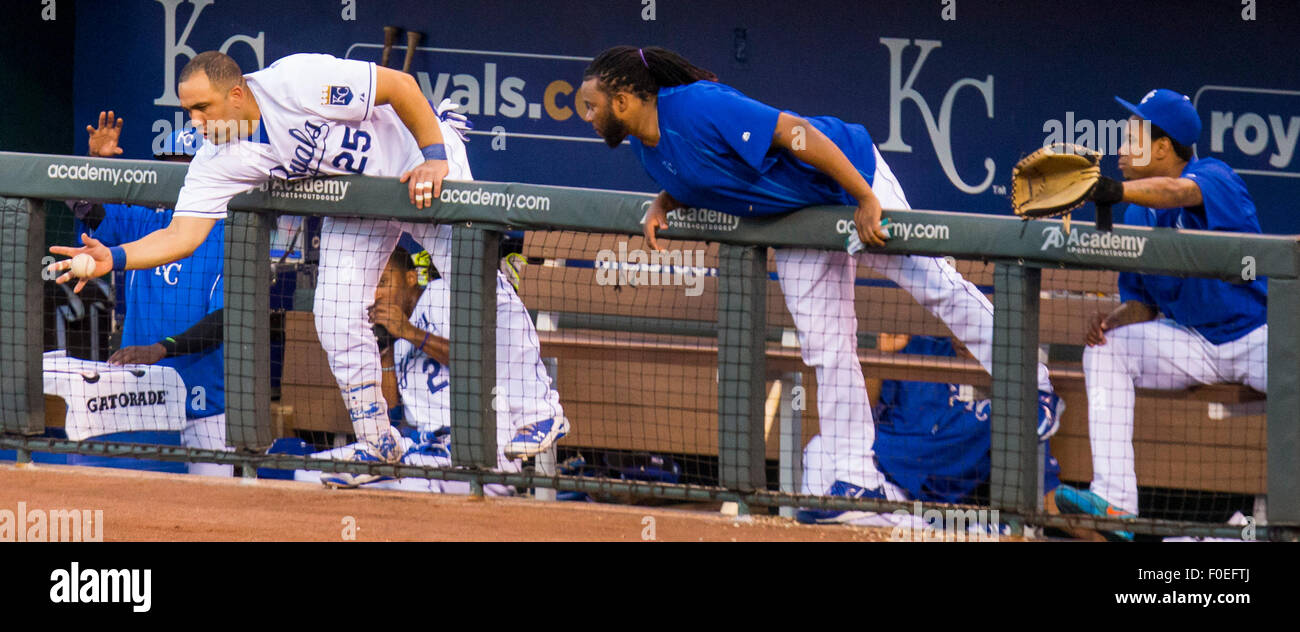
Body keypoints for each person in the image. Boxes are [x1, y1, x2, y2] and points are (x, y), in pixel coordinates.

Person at [575, 45, 1060, 523]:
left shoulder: (699, 105)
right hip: (793, 221)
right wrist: (665, 203)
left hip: (849, 180)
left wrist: (865, 197)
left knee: (934, 283)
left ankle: (1035, 388)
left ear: (623, 101)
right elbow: (697, 173)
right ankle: (856, 477)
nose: (587, 116)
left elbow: (796, 132)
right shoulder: (646, 146)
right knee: (826, 345)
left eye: (592, 105)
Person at [49, 51, 567, 481]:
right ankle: (377, 443)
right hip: (358, 198)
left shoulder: (296, 82)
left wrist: (434, 154)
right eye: (189, 112)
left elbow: (402, 87)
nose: (197, 123)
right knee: (334, 313)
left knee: (470, 278)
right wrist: (111, 257)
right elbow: (181, 235)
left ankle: (538, 410)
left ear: (237, 93)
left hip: (417, 163)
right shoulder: (216, 160)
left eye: (203, 108)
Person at [1055, 89, 1269, 541]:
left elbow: (1178, 193)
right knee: (1107, 348)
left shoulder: (1215, 176)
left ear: (1162, 147)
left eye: (1131, 135)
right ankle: (1116, 505)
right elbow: (1145, 302)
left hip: (1257, 338)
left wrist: (1110, 190)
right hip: (1191, 341)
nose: (1119, 146)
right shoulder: (1136, 213)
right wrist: (1115, 318)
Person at [306, 246, 567, 491]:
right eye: (372, 286)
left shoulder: (440, 294)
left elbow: (478, 355)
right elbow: (392, 407)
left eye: (384, 282)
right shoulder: (399, 340)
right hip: (425, 450)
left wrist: (410, 332)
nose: (376, 294)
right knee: (313, 469)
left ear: (410, 278)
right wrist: (382, 348)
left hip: (480, 452)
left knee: (375, 488)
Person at [72, 116, 230, 476]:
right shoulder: (145, 218)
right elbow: (89, 211)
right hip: (143, 398)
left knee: (215, 517)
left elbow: (223, 321)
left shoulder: (229, 230)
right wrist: (98, 164)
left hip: (204, 407)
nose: (174, 176)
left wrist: (160, 348)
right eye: (168, 165)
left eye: (184, 166)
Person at [803, 335, 1062, 528]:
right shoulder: (921, 348)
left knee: (980, 530)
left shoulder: (1018, 383)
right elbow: (860, 414)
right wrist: (882, 357)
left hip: (943, 509)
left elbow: (1043, 489)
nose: (964, 337)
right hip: (886, 486)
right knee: (821, 448)